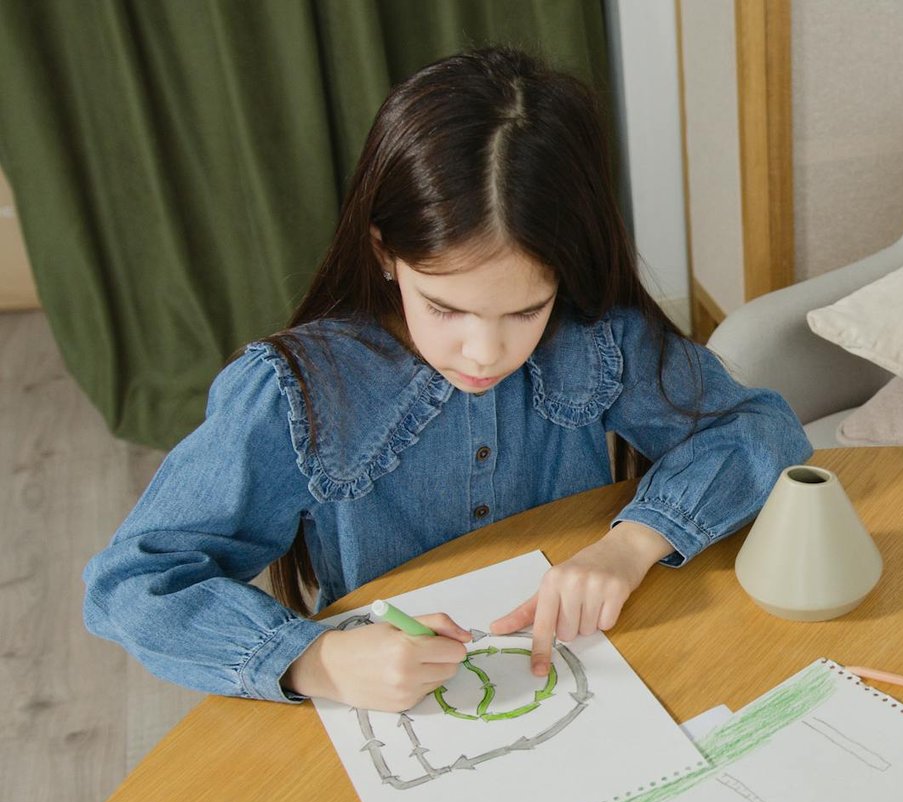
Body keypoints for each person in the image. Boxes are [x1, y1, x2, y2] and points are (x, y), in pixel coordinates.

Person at [83, 48, 811, 712]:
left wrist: (633, 544)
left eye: (527, 310)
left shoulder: (599, 339)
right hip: (389, 714)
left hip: (596, 677)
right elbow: (133, 582)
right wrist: (316, 659)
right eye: (445, 307)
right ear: (385, 255)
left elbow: (758, 428)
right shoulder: (295, 394)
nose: (485, 350)